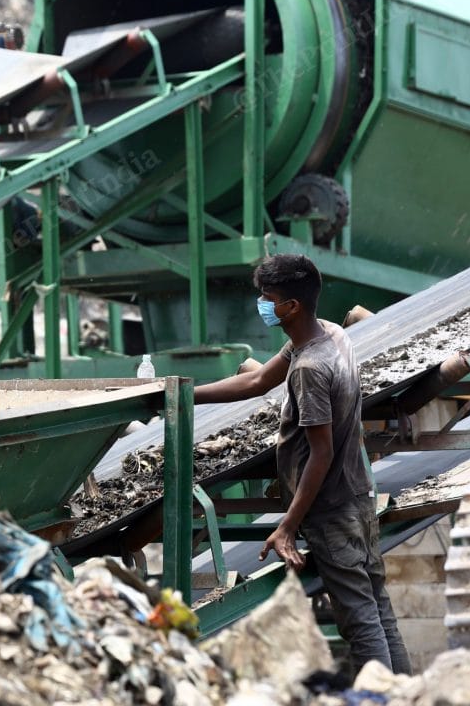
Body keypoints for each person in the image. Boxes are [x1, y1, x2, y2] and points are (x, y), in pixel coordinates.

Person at [194, 254, 411, 675]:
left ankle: (385, 699)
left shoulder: (310, 369)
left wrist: (287, 526)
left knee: (361, 623)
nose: (262, 304)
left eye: (268, 298)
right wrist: (184, 393)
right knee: (379, 610)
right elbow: (257, 381)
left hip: (331, 510)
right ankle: (408, 694)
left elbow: (320, 453)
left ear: (291, 306)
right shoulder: (329, 333)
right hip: (356, 496)